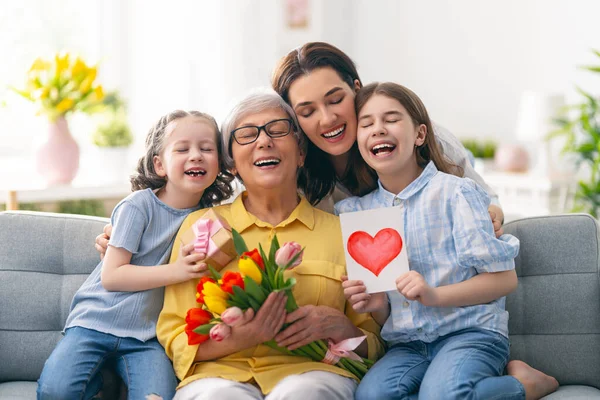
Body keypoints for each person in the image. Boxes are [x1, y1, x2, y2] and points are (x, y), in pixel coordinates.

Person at [156, 91, 385, 400]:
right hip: (218, 378)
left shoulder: (344, 233)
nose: (263, 141)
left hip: (314, 374)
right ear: (232, 163)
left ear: (301, 153)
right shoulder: (201, 226)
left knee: (304, 393)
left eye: (277, 129)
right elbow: (175, 334)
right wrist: (244, 337)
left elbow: (374, 342)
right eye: (247, 134)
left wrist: (341, 327)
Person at [337, 82, 559, 400]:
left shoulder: (456, 193)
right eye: (367, 123)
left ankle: (525, 386)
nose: (378, 129)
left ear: (420, 135)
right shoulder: (358, 212)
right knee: (370, 397)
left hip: (470, 333)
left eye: (391, 119)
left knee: (442, 395)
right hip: (408, 344)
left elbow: (504, 280)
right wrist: (377, 306)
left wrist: (433, 294)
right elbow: (391, 312)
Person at [37, 110, 234, 400]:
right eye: (182, 149)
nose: (196, 156)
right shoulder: (137, 207)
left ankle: (108, 379)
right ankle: (103, 381)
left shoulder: (210, 220)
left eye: (207, 148)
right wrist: (177, 270)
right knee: (57, 393)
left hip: (147, 338)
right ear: (160, 164)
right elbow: (113, 276)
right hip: (94, 323)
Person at [271, 41, 505, 236]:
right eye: (307, 112)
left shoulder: (415, 136)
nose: (327, 118)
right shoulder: (298, 174)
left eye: (335, 100)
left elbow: (486, 198)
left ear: (356, 88)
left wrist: (493, 214)